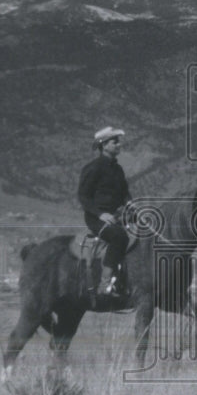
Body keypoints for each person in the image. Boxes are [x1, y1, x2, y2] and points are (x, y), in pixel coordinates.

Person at [77, 126, 131, 299]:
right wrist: (100, 214)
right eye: (115, 142)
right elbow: (83, 196)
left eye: (118, 141)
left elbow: (124, 195)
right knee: (119, 237)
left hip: (116, 216)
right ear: (104, 145)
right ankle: (104, 284)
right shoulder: (93, 168)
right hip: (96, 218)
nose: (119, 144)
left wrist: (131, 206)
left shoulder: (118, 169)